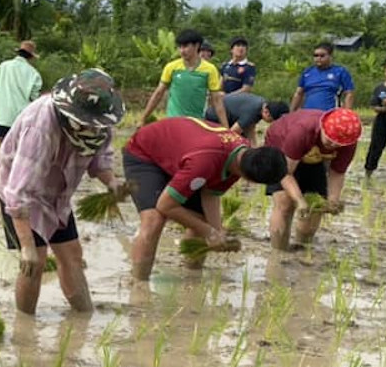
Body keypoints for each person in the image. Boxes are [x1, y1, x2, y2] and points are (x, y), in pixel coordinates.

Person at [0, 69, 125, 314]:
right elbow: (18, 192)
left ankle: (85, 315)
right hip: (22, 195)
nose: (95, 129)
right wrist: (27, 247)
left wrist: (112, 183)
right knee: (35, 263)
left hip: (57, 195)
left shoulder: (102, 120)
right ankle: (26, 328)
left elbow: (99, 160)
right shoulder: (41, 126)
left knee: (73, 255)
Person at [123, 117, 287, 280]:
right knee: (154, 220)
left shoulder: (242, 158)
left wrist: (217, 232)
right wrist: (209, 232)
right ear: (250, 179)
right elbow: (165, 205)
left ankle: (192, 277)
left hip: (183, 157)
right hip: (145, 153)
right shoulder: (206, 162)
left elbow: (210, 194)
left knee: (201, 220)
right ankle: (139, 284)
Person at [264, 108, 363, 251]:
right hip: (280, 148)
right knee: (284, 203)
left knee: (315, 207)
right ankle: (278, 252)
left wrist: (333, 200)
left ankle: (302, 250)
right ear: (323, 127)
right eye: (330, 140)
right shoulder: (303, 131)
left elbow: (337, 173)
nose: (334, 145)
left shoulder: (348, 143)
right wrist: (299, 200)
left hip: (313, 156)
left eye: (338, 143)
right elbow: (285, 173)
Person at [141, 29, 226, 123]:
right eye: (180, 47)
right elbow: (158, 93)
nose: (182, 51)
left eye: (185, 46)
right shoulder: (171, 67)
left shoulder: (210, 70)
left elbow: (217, 101)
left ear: (196, 46)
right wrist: (143, 119)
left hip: (196, 122)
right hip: (173, 121)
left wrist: (226, 129)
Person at [0, 40, 43, 171]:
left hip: (1, 113)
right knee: (17, 149)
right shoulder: (34, 74)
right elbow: (34, 97)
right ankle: (12, 175)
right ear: (31, 57)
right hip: (21, 116)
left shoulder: (3, 66)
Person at [290, 43, 355, 112]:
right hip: (308, 114)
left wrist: (347, 113)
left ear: (330, 56)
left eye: (322, 56)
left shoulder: (340, 72)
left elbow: (349, 93)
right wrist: (291, 112)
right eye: (316, 55)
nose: (318, 58)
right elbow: (299, 93)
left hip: (330, 113)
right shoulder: (307, 72)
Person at [204, 92, 290, 143]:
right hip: (215, 117)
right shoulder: (253, 111)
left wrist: (254, 148)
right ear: (267, 113)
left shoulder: (262, 104)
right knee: (235, 141)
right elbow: (234, 131)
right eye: (271, 120)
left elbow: (250, 129)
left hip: (230, 117)